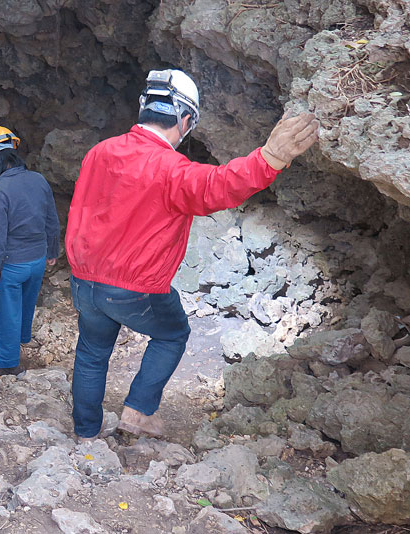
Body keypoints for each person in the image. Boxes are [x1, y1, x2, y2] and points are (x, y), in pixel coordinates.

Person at [65, 69, 319, 440]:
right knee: (172, 334)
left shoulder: (99, 152)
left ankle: (85, 432)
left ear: (143, 108)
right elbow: (218, 186)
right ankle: (138, 412)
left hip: (84, 282)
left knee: (91, 352)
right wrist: (270, 158)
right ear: (185, 120)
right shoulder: (170, 168)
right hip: (134, 288)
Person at [0, 126, 61, 375]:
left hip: (11, 265)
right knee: (23, 307)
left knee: (2, 312)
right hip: (36, 261)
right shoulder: (38, 180)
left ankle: (5, 366)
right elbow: (52, 220)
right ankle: (19, 343)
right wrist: (52, 251)